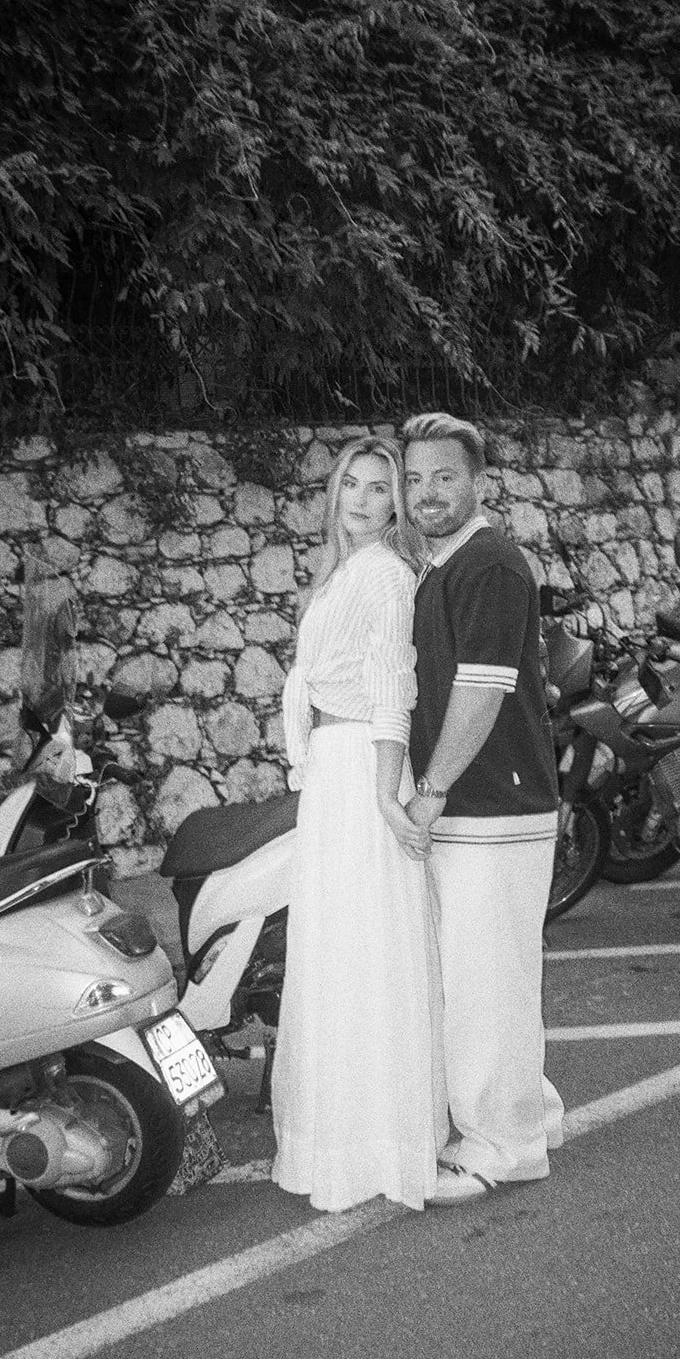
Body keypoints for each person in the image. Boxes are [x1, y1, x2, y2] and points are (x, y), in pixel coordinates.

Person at [271, 436, 448, 1212]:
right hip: (332, 777)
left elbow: (390, 690)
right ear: (334, 490)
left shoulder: (382, 575)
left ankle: (379, 1144)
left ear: (395, 507)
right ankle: (342, 1139)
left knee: (369, 953)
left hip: (360, 772)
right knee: (337, 955)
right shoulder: (340, 572)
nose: (365, 499)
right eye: (354, 483)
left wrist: (384, 796)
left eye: (382, 490)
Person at [402, 413, 565, 1203]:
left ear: (476, 481)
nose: (426, 492)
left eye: (443, 476)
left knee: (483, 984)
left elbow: (481, 689)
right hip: (475, 809)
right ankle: (530, 1111)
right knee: (484, 974)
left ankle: (502, 1146)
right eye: (414, 479)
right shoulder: (444, 564)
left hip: (493, 808)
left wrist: (430, 792)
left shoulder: (489, 563)